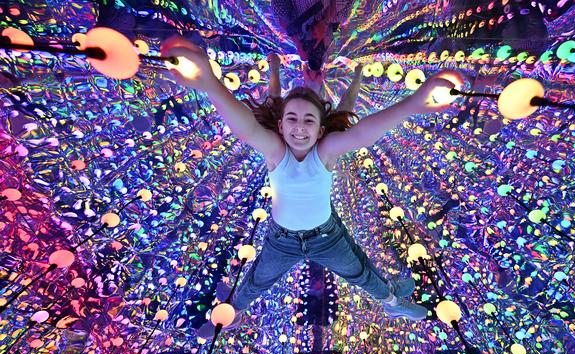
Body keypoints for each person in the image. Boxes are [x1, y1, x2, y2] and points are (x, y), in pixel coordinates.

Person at [160, 36, 456, 331]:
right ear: (280, 125)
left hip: (325, 234)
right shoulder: (276, 150)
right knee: (260, 278)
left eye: (309, 122)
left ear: (320, 130)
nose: (299, 128)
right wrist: (212, 84)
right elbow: (248, 127)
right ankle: (232, 310)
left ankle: (392, 302)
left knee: (358, 269)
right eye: (292, 119)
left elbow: (361, 133)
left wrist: (411, 103)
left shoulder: (325, 152)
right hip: (282, 239)